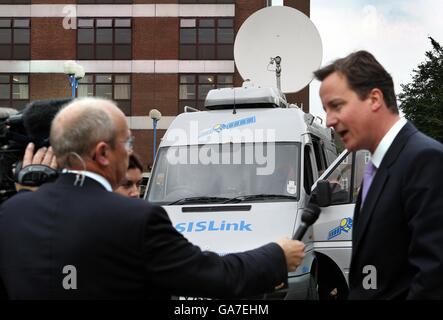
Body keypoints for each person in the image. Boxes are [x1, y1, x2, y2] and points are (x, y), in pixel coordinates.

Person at [0, 97, 305, 299]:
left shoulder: (12, 214)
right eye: (127, 142)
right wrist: (277, 255)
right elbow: (214, 277)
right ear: (103, 153)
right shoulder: (136, 219)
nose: (130, 151)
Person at [314, 50, 443, 299]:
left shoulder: (425, 161)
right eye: (326, 110)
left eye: (336, 106)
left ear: (374, 99)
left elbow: (433, 278)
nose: (329, 120)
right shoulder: (377, 166)